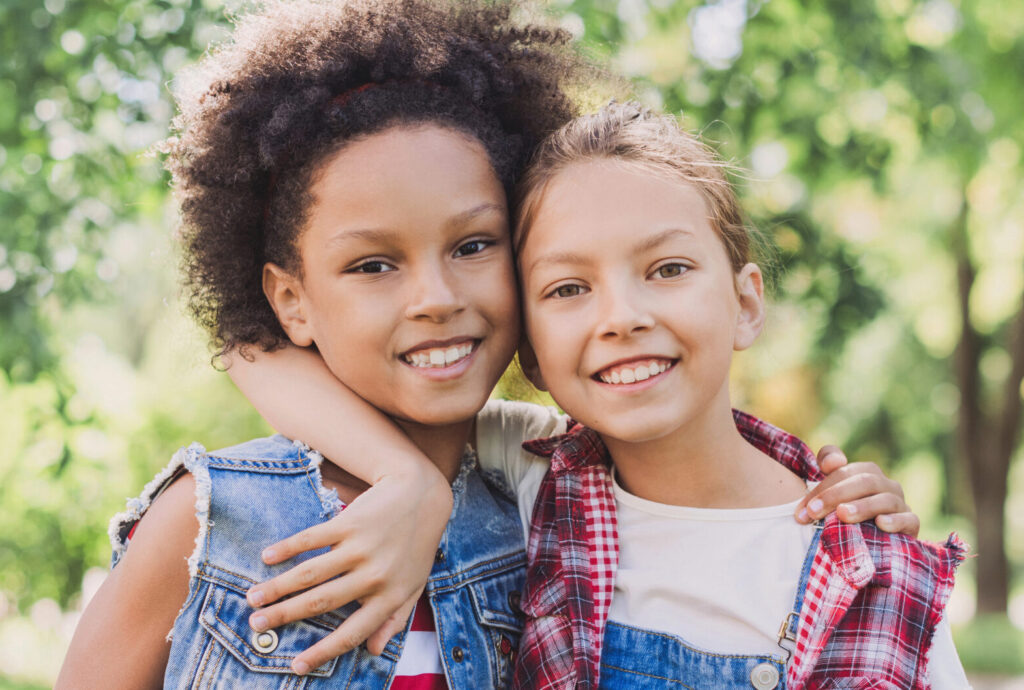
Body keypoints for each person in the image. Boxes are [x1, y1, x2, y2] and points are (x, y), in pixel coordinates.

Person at [58, 0, 587, 686]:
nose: (436, 298)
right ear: (291, 302)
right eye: (373, 265)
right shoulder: (213, 521)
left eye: (473, 245)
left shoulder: (547, 508)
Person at [500, 102, 967, 688]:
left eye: (667, 269)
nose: (621, 317)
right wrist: (403, 476)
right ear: (529, 350)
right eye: (568, 287)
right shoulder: (516, 473)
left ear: (745, 306)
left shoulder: (873, 573)